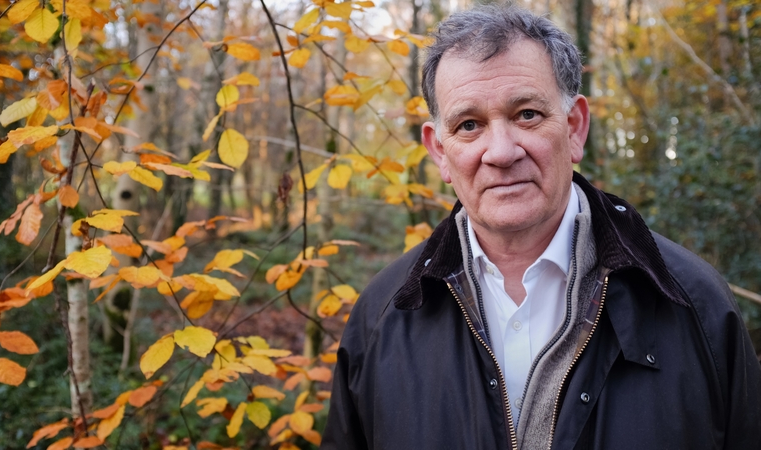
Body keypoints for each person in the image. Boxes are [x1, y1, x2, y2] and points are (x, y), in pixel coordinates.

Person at [321, 5, 761, 450]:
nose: (501, 151)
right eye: (469, 125)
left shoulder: (695, 306)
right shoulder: (382, 317)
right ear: (439, 152)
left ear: (574, 128)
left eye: (526, 114)